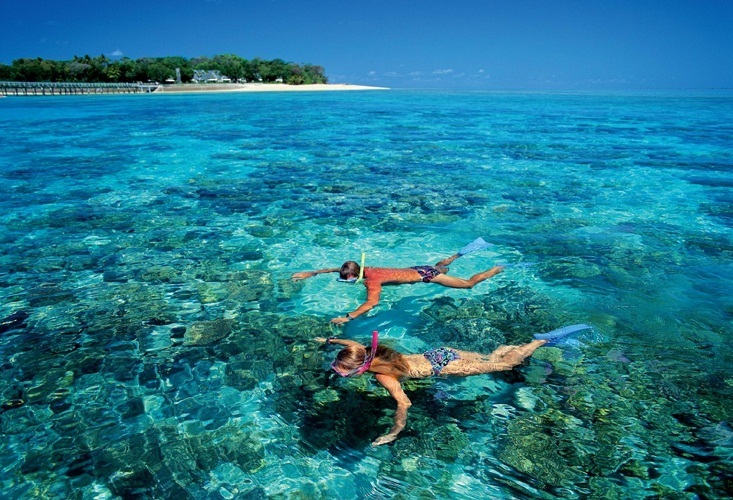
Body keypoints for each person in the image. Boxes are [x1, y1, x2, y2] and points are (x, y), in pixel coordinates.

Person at [315, 331, 547, 446]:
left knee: (506, 365)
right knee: (488, 360)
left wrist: (394, 432)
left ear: (360, 368)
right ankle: (501, 349)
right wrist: (329, 341)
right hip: (438, 353)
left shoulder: (383, 376)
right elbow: (350, 344)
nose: (340, 372)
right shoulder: (366, 351)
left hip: (445, 366)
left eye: (345, 371)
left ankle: (539, 341)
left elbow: (404, 403)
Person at [292, 252, 504, 325]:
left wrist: (349, 317)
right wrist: (310, 273)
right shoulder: (363, 268)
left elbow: (372, 302)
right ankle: (455, 256)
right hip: (418, 268)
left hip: (426, 275)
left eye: (349, 280)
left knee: (468, 285)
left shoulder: (372, 281)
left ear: (356, 275)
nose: (347, 282)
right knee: (441, 267)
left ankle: (495, 269)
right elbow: (333, 268)